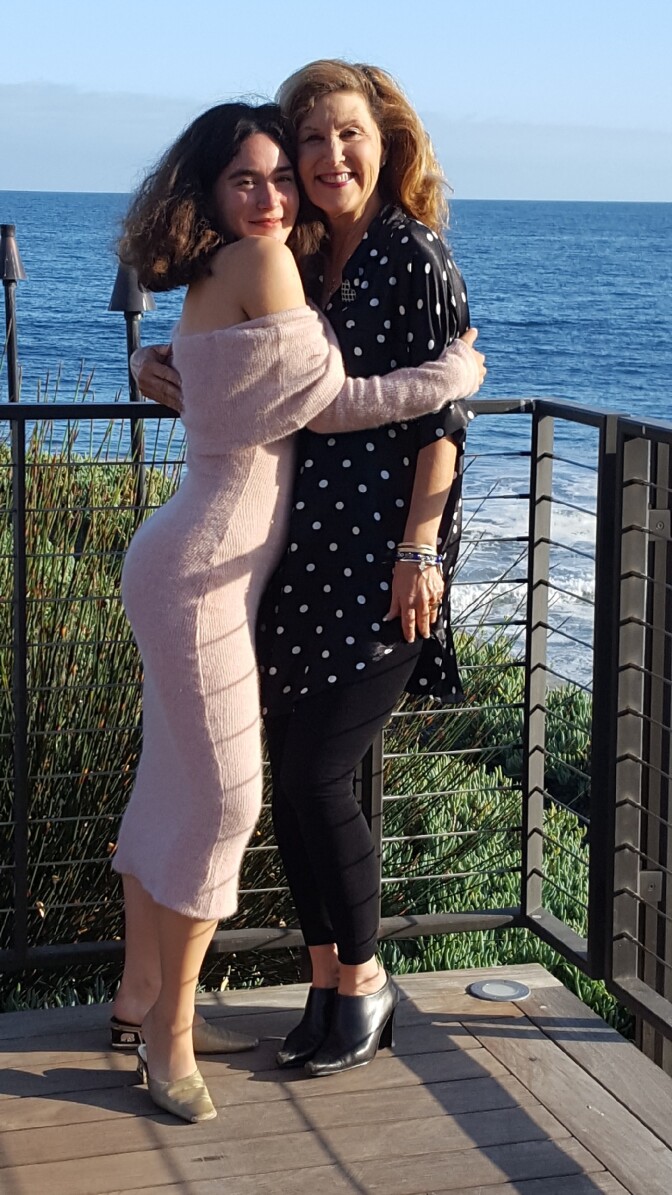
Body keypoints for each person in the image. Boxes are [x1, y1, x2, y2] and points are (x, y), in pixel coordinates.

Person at [112, 99, 485, 1122]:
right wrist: (453, 374)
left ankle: (140, 986)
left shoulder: (239, 262)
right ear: (210, 189)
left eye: (285, 173)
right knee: (227, 803)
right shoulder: (268, 261)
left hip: (204, 564)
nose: (277, 191)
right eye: (253, 176)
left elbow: (233, 386)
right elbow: (328, 405)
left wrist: (161, 369)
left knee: (174, 784)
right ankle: (168, 1036)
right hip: (202, 572)